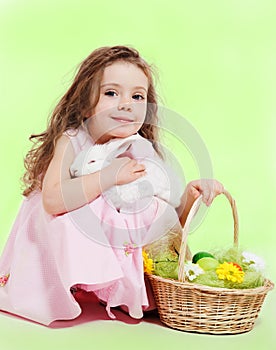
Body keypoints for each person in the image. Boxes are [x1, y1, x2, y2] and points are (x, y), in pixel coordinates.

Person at [0, 45, 224, 325]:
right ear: (84, 103)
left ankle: (122, 287)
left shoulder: (141, 149)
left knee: (149, 205)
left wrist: (189, 197)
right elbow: (53, 201)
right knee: (78, 215)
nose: (126, 103)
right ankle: (77, 278)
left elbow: (165, 225)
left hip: (115, 234)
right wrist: (108, 176)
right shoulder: (73, 140)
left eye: (137, 96)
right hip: (57, 221)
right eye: (111, 93)